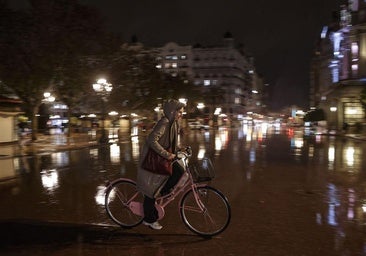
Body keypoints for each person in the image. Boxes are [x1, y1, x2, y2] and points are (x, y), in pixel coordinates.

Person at [137, 99, 185, 230]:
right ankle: (149, 219)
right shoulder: (164, 122)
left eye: (181, 112)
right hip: (152, 159)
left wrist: (180, 149)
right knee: (151, 190)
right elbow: (152, 140)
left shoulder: (173, 123)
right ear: (172, 111)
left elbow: (170, 142)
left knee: (180, 171)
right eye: (179, 112)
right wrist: (167, 154)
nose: (181, 114)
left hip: (163, 157)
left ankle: (163, 192)